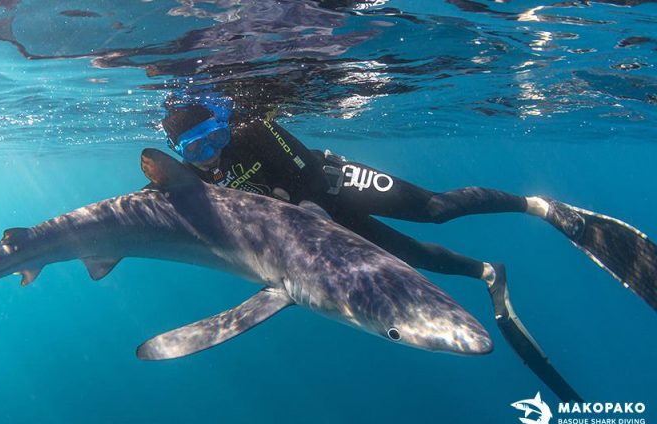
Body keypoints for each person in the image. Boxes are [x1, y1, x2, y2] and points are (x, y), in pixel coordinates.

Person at [159, 91, 657, 402]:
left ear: (226, 123)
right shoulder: (198, 183)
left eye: (215, 135)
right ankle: (488, 273)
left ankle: (539, 206)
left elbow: (308, 173)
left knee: (435, 208)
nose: (215, 150)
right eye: (198, 149)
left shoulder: (252, 130)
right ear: (181, 154)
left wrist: (307, 212)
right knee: (413, 258)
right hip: (313, 229)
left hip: (333, 185)